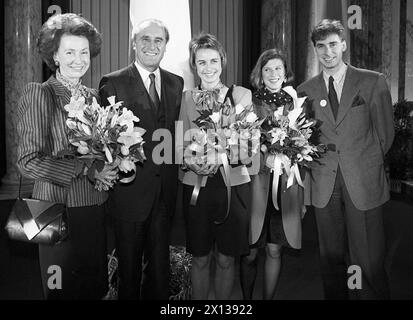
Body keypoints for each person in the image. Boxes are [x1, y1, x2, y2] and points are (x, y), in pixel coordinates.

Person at [16, 13, 117, 300]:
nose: (78, 59)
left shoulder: (95, 97)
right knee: (58, 289)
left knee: (93, 287)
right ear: (55, 56)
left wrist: (111, 164)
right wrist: (84, 170)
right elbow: (28, 160)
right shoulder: (40, 94)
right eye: (69, 52)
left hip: (94, 208)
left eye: (84, 52)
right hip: (53, 209)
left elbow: (100, 150)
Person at [297, 19, 394, 299]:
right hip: (324, 180)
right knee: (330, 257)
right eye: (320, 46)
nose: (327, 52)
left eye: (332, 45)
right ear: (315, 50)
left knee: (368, 258)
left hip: (363, 180)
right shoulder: (305, 90)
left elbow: (385, 134)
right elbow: (306, 138)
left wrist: (363, 162)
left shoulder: (373, 81)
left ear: (343, 46)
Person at [99, 19, 184, 300]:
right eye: (145, 39)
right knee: (129, 275)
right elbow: (105, 144)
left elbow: (174, 135)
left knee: (160, 276)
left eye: (158, 40)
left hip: (165, 194)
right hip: (129, 195)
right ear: (134, 43)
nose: (151, 45)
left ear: (165, 46)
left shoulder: (175, 83)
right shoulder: (113, 82)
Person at [178, 33, 252, 300]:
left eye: (213, 61)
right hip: (197, 187)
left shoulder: (241, 95)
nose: (208, 68)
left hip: (233, 185)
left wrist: (220, 155)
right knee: (199, 259)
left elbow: (248, 145)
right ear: (194, 66)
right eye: (201, 63)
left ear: (222, 61)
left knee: (226, 259)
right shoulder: (187, 98)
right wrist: (193, 161)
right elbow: (177, 146)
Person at [240, 49, 305, 300]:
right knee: (251, 252)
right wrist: (263, 156)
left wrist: (303, 200)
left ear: (285, 73)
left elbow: (304, 154)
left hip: (286, 187)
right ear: (260, 74)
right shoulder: (248, 102)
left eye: (278, 68)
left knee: (275, 250)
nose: (273, 74)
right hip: (254, 186)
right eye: (267, 69)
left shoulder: (296, 105)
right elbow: (240, 146)